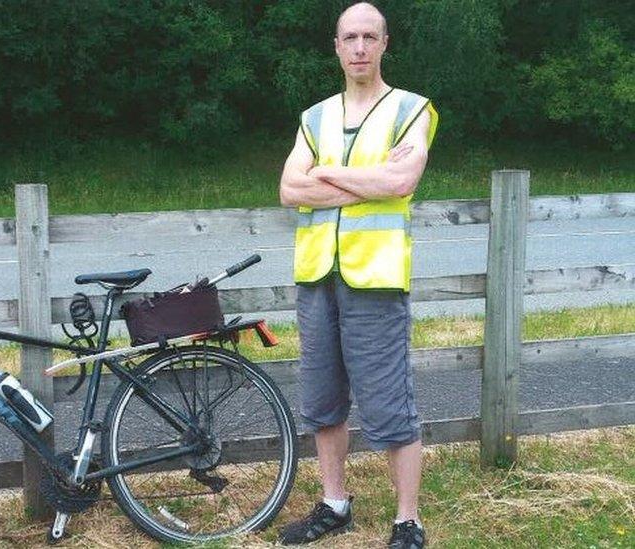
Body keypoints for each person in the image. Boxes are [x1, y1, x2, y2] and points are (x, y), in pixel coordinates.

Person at [276, 2, 438, 547]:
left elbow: (400, 182)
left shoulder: (412, 110)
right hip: (317, 275)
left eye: (371, 37)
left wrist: (324, 170)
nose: (361, 48)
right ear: (337, 46)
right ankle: (334, 503)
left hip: (376, 277)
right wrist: (367, 177)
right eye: (351, 38)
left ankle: (407, 518)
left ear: (385, 43)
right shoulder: (314, 116)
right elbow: (289, 190)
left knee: (389, 401)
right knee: (322, 400)